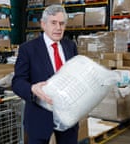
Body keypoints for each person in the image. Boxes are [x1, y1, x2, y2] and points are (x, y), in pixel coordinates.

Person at [12, 4, 79, 144]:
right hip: (39, 117)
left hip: (68, 116)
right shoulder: (28, 49)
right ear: (43, 24)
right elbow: (17, 82)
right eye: (53, 23)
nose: (58, 28)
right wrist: (32, 89)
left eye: (62, 23)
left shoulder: (70, 46)